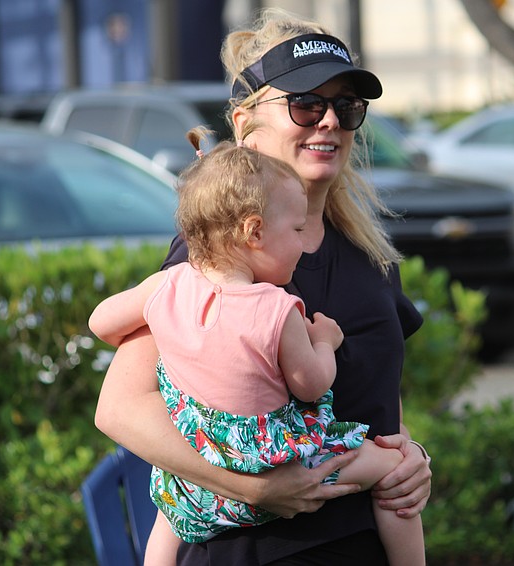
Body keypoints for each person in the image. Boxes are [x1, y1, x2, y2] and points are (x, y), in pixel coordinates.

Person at [93, 8, 432, 565]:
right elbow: (121, 408)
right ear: (246, 124)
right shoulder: (217, 257)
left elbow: (375, 396)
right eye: (306, 104)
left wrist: (412, 456)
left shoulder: (372, 256)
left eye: (345, 108)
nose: (328, 122)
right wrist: (252, 486)